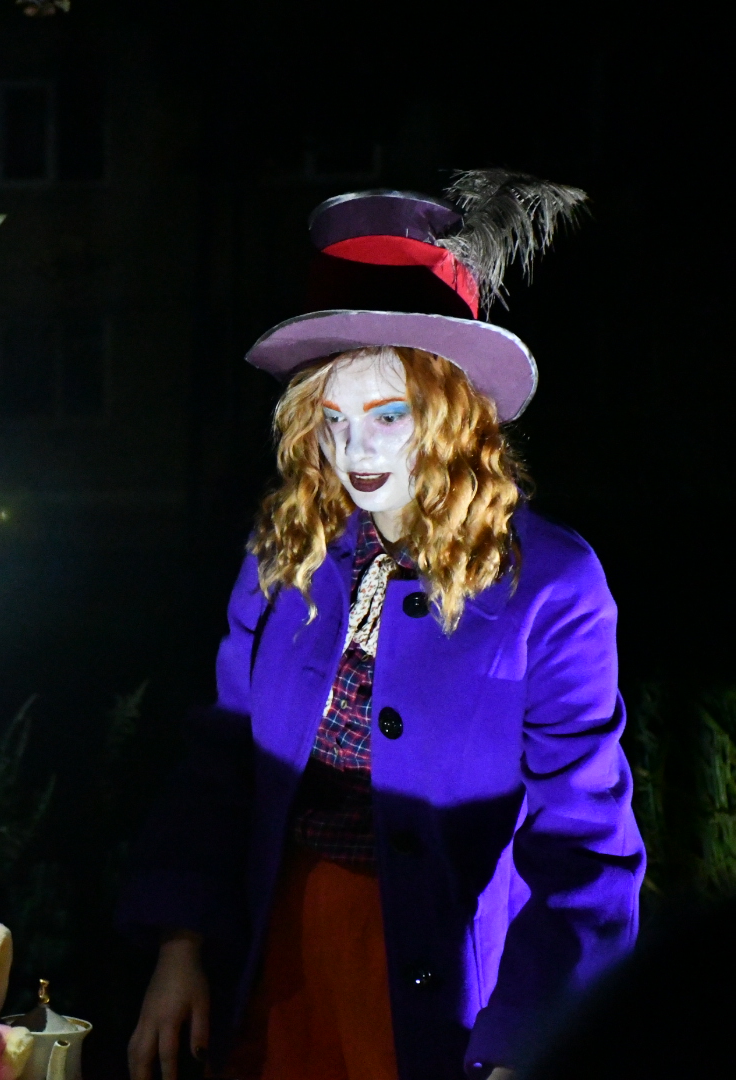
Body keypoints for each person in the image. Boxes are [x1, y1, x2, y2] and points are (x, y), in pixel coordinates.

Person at [119, 175, 643, 1080]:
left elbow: (584, 841)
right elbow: (223, 760)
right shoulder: (288, 551)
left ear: (451, 414)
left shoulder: (552, 584)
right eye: (333, 420)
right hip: (278, 962)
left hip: (443, 987)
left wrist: (526, 1038)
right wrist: (181, 945)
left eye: (388, 415)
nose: (355, 452)